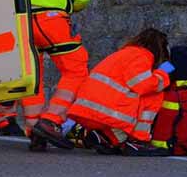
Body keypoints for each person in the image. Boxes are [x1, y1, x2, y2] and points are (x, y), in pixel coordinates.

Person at [19, 0, 91, 151]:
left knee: (32, 76)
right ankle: (51, 120)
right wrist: (67, 8)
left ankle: (34, 128)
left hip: (21, 24)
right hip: (53, 23)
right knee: (76, 69)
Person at [68, 28, 174, 156]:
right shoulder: (142, 56)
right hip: (105, 114)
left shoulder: (125, 53)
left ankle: (105, 138)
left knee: (118, 137)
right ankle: (138, 141)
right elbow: (144, 86)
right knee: (154, 93)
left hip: (89, 112)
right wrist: (163, 73)